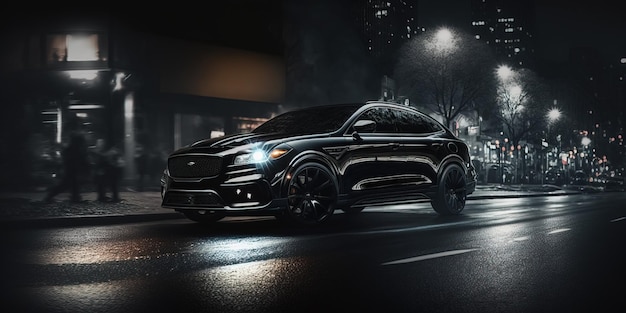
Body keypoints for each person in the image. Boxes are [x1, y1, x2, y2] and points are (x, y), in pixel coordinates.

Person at [44, 129, 89, 202]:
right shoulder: (75, 149)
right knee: (66, 184)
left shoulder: (71, 148)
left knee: (71, 183)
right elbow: (79, 159)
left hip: (71, 169)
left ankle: (75, 197)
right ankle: (51, 196)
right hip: (72, 169)